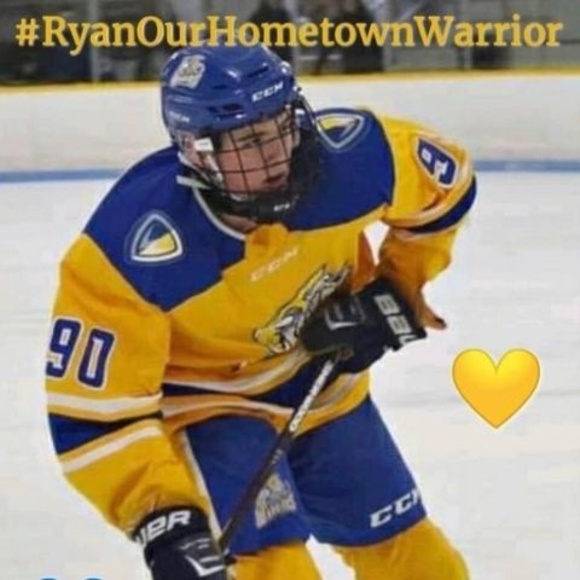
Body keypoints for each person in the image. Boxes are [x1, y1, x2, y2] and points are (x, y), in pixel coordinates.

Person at [45, 38, 476, 579]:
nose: (276, 153)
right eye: (248, 140)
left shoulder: (352, 160)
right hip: (208, 409)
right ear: (195, 148)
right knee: (279, 568)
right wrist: (165, 519)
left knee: (418, 559)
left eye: (280, 126)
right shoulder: (130, 251)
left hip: (323, 385)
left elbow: (445, 185)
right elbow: (92, 417)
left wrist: (395, 289)